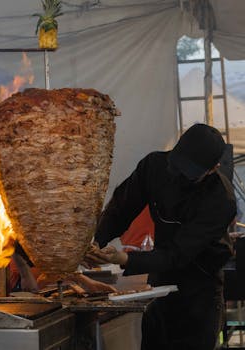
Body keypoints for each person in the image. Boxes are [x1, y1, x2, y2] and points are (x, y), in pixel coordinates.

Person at [85, 123, 237, 350]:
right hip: (160, 282)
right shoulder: (154, 166)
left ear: (213, 169)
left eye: (189, 173)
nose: (179, 176)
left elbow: (178, 254)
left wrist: (125, 259)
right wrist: (97, 240)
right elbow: (122, 207)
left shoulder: (221, 200)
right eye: (177, 166)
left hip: (199, 289)